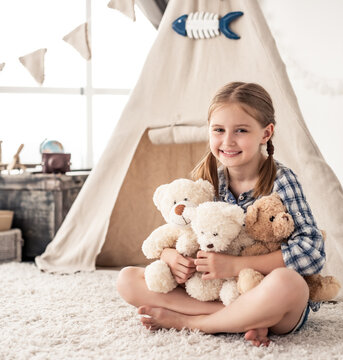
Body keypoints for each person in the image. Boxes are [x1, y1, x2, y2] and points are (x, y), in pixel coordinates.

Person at [117, 81, 325, 347]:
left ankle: (191, 322)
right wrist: (172, 258)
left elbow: (312, 252)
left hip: (264, 293)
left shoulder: (282, 181)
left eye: (241, 130)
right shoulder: (207, 179)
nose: (228, 141)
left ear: (266, 133)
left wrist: (236, 266)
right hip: (215, 292)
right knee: (127, 280)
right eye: (218, 130)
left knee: (289, 284)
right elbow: (180, 232)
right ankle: (241, 319)